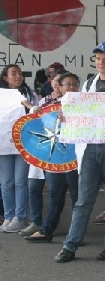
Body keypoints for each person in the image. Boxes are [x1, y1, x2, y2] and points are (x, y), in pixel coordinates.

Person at [54, 42, 105, 263]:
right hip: (91, 145)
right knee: (84, 199)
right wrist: (68, 117)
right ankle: (70, 246)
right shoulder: (89, 83)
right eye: (98, 59)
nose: (101, 62)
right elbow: (81, 113)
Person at [25, 73, 81, 242]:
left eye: (74, 84)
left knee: (77, 195)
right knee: (55, 193)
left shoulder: (85, 104)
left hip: (76, 158)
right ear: (60, 87)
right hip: (55, 156)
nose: (71, 87)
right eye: (67, 84)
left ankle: (76, 233)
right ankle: (47, 230)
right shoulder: (48, 105)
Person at [21, 69, 66, 237]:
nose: (58, 84)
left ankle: (49, 225)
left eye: (62, 81)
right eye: (56, 80)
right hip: (41, 148)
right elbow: (35, 119)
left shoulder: (69, 102)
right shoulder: (45, 100)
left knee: (55, 190)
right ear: (51, 82)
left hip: (59, 152)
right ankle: (36, 221)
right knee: (33, 186)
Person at [0, 64, 38, 233]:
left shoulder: (29, 94)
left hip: (24, 143)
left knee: (20, 181)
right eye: (13, 74)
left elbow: (37, 112)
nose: (18, 76)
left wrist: (29, 105)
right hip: (4, 143)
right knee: (6, 182)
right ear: (5, 78)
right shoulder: (1, 95)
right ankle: (9, 216)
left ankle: (20, 217)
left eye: (20, 73)